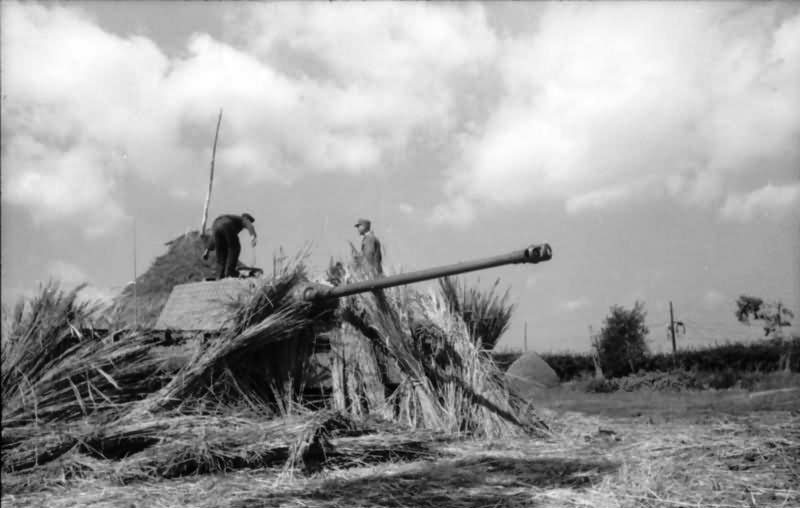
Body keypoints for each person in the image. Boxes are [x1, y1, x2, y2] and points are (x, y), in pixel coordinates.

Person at [202, 213, 257, 279]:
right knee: (235, 247)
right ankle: (230, 271)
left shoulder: (232, 220)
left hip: (215, 226)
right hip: (226, 225)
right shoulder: (243, 219)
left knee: (222, 251)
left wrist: (207, 250)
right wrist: (253, 236)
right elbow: (249, 225)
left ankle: (220, 274)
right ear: (247, 218)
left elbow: (214, 236)